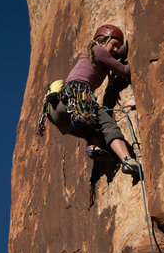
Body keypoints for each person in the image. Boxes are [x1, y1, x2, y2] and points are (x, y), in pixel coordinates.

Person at [45, 24, 139, 176]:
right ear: (102, 41)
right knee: (108, 126)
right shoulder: (99, 51)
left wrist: (122, 47)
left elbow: (116, 54)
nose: (115, 49)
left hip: (58, 112)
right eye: (113, 45)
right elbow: (125, 71)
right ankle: (127, 160)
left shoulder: (92, 53)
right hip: (76, 99)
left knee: (94, 130)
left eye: (117, 47)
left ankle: (94, 148)